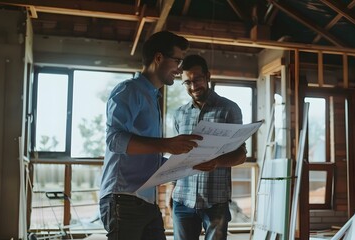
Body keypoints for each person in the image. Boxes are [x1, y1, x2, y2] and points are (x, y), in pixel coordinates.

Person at [99, 31, 203, 240]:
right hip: (124, 198)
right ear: (158, 58)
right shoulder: (129, 90)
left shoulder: (152, 97)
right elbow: (115, 140)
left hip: (147, 202)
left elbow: (150, 158)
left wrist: (192, 164)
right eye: (177, 60)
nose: (179, 68)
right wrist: (167, 144)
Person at [171, 54, 248, 240]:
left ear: (208, 76)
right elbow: (177, 156)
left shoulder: (229, 109)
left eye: (197, 79)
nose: (193, 86)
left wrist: (217, 161)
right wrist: (172, 189)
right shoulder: (179, 114)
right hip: (182, 199)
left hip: (216, 201)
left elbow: (241, 155)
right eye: (187, 82)